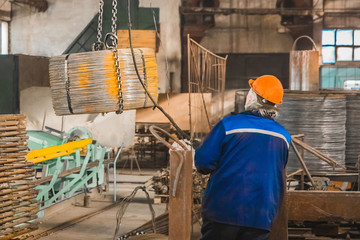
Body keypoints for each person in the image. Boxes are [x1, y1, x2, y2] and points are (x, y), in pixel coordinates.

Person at [195, 75, 291, 240]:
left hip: (223, 211)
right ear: (275, 105)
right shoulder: (283, 136)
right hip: (261, 216)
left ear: (252, 97)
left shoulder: (229, 125)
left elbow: (203, 162)